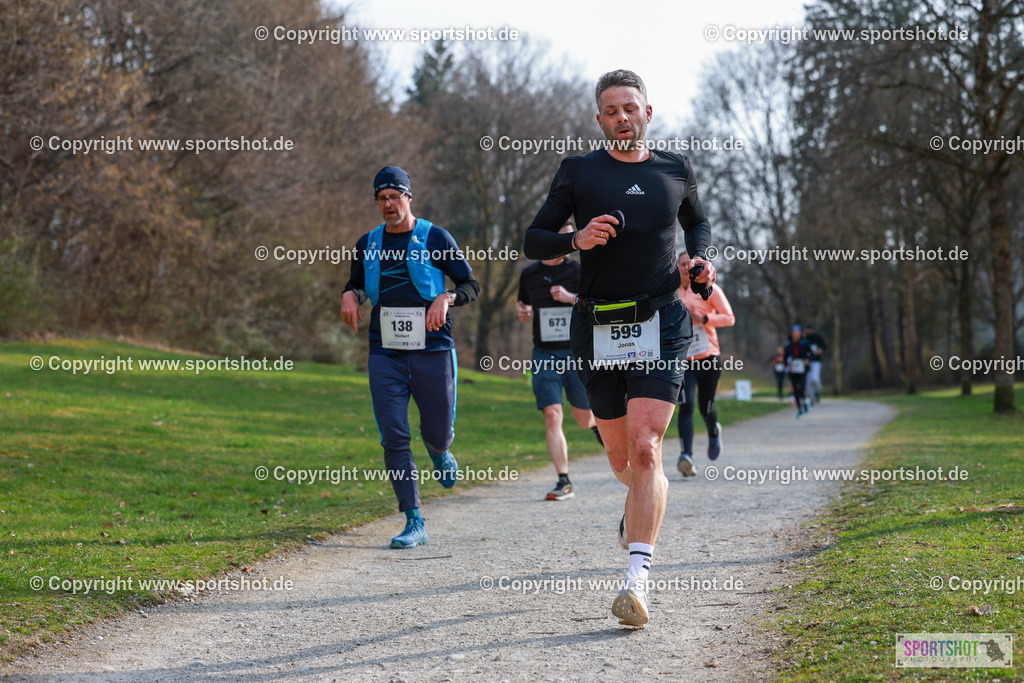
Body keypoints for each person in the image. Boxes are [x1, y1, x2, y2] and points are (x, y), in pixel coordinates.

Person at [524, 69, 716, 627]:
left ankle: (637, 581)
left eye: (630, 108)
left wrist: (700, 259)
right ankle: (641, 503)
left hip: (661, 319)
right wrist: (575, 239)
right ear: (600, 119)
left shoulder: (675, 168)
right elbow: (534, 238)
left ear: (647, 113)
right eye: (611, 110)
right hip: (596, 325)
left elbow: (698, 223)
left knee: (647, 448)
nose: (622, 118)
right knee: (621, 461)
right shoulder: (579, 170)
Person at [341, 166, 480, 549]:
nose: (388, 204)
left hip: (433, 351)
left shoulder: (435, 237)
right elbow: (356, 283)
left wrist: (446, 297)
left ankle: (439, 450)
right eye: (381, 198)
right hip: (385, 352)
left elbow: (470, 284)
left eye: (394, 196)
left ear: (408, 197)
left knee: (436, 432)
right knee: (394, 435)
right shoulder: (367, 243)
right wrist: (349, 294)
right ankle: (413, 519)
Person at [517, 223, 602, 501]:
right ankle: (563, 480)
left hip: (576, 353)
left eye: (571, 235)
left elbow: (597, 304)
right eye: (564, 236)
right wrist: (523, 311)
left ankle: (597, 426)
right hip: (544, 354)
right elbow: (525, 303)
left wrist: (570, 298)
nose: (569, 241)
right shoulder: (529, 273)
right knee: (552, 414)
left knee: (584, 419)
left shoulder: (579, 270)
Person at [674, 252, 735, 478]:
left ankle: (713, 431)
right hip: (683, 359)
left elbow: (729, 317)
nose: (686, 268)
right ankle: (686, 456)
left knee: (706, 407)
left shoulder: (709, 288)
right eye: (682, 264)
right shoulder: (669, 290)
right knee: (686, 405)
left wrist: (705, 319)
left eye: (689, 265)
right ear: (677, 267)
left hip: (708, 356)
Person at [784, 325, 814, 418]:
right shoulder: (789, 345)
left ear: (800, 333)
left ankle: (805, 402)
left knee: (801, 388)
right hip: (793, 370)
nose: (795, 334)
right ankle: (799, 409)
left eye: (797, 332)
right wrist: (788, 364)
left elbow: (811, 354)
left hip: (802, 369)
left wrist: (807, 360)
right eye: (794, 332)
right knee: (795, 390)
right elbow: (785, 357)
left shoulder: (804, 343)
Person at [804, 323, 828, 404]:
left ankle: (817, 391)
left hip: (816, 361)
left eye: (810, 329)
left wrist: (820, 350)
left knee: (815, 379)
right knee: (808, 382)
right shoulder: (804, 339)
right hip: (807, 362)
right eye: (808, 329)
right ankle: (812, 398)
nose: (809, 331)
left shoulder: (817, 337)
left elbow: (824, 346)